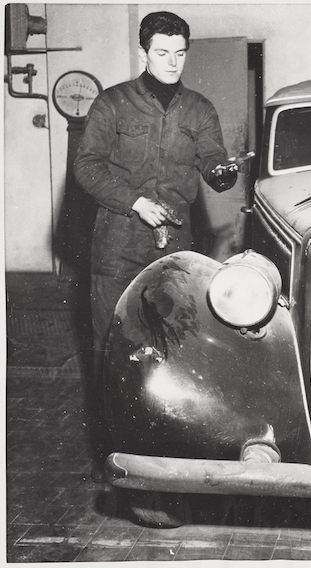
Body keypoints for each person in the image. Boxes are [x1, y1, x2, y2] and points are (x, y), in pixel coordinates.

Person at [74, 11, 239, 481]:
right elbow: (87, 167)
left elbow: (211, 161)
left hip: (174, 251)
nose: (171, 62)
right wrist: (134, 202)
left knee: (174, 352)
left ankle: (168, 462)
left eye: (180, 53)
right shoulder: (112, 105)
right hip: (118, 246)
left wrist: (220, 172)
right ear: (143, 53)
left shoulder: (199, 109)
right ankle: (117, 463)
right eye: (162, 53)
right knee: (114, 351)